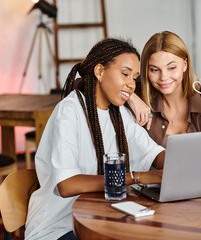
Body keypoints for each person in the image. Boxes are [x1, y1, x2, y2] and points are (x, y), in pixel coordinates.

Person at [25, 38, 165, 240]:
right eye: (125, 74)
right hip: (58, 228)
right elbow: (67, 185)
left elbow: (154, 153)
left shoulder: (120, 114)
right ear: (99, 72)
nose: (131, 84)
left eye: (134, 77)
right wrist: (139, 177)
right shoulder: (69, 111)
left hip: (100, 220)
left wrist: (176, 168)